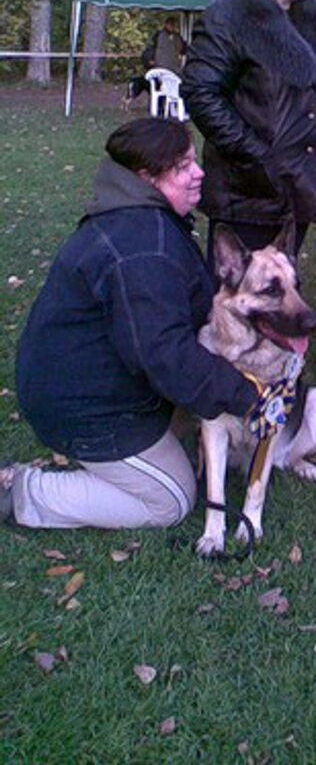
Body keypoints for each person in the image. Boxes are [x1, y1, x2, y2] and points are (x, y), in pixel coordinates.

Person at [2, 119, 262, 530]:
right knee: (172, 499)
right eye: (182, 167)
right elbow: (163, 353)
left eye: (194, 161)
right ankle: (22, 492)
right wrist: (246, 394)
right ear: (146, 178)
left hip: (93, 384)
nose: (199, 173)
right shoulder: (142, 248)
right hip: (87, 409)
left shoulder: (141, 217)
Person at [181, 0, 316, 262]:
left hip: (295, 188)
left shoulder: (309, 22)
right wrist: (258, 155)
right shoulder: (230, 17)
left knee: (280, 296)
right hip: (248, 192)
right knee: (238, 300)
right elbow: (199, 91)